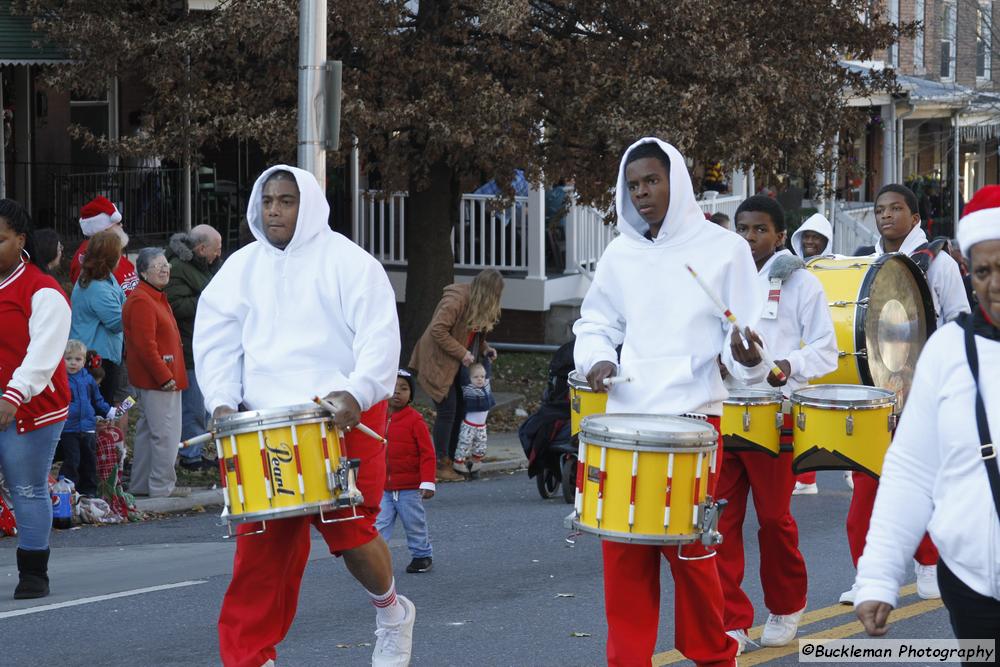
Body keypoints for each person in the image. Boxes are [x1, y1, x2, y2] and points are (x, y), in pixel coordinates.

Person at [193, 165, 413, 667]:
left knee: (350, 530)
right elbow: (216, 342)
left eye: (286, 200)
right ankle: (250, 658)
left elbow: (380, 339)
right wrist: (223, 402)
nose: (274, 209)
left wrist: (357, 391)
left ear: (308, 204)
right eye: (267, 199)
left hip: (342, 417)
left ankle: (392, 613)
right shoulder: (241, 268)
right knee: (260, 553)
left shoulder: (351, 263)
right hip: (267, 424)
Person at [573, 137, 763, 667]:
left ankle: (713, 656)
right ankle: (627, 660)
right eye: (633, 186)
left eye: (652, 181)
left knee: (693, 555)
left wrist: (745, 353)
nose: (642, 194)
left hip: (691, 421)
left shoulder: (724, 250)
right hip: (626, 421)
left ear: (676, 181)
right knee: (623, 557)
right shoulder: (621, 252)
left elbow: (744, 338)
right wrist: (595, 359)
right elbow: (594, 322)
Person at [855, 185, 1000, 648]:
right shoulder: (948, 351)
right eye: (982, 271)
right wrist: (878, 576)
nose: (994, 284)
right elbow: (912, 469)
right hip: (973, 587)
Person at [840, 184, 973, 604]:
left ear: (914, 218)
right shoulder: (869, 261)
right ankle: (866, 577)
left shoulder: (938, 264)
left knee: (921, 484)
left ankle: (930, 563)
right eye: (880, 209)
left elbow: (960, 319)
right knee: (865, 488)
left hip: (922, 393)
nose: (885, 215)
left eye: (896, 208)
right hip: (875, 394)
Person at [719, 196, 838, 651]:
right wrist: (723, 364)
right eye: (743, 229)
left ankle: (786, 605)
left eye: (760, 230)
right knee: (722, 519)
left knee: (773, 519)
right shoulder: (726, 279)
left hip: (776, 414)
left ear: (779, 235)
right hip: (726, 411)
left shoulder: (801, 283)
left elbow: (827, 350)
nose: (750, 238)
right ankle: (731, 617)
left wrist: (786, 364)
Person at [0, 198, 72, 599]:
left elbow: (43, 354)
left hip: (32, 403)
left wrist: (13, 395)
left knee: (25, 486)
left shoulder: (43, 290)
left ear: (20, 240)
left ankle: (33, 572)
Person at [409, 269, 503, 483]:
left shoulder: (477, 304)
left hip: (456, 365)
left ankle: (452, 460)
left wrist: (485, 349)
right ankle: (441, 463)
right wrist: (462, 353)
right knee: (448, 409)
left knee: (460, 407)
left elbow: (473, 335)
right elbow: (438, 330)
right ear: (487, 292)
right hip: (438, 362)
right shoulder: (456, 300)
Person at [122, 247, 188, 498]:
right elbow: (144, 345)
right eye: (157, 265)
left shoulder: (152, 296)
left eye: (165, 264)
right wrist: (164, 376)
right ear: (143, 272)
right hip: (160, 379)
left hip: (160, 377)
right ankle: (161, 487)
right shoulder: (142, 300)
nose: (164, 268)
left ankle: (142, 486)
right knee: (165, 435)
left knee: (150, 432)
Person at [165, 225, 222, 471]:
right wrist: (209, 302)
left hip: (202, 347)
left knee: (202, 404)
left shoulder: (200, 267)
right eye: (216, 249)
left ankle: (195, 450)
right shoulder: (179, 269)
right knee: (194, 406)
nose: (219, 254)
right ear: (201, 248)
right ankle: (191, 455)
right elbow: (175, 306)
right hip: (188, 347)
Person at [788, 211, 835, 494]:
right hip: (799, 353)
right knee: (805, 418)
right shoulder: (788, 268)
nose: (810, 242)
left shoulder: (836, 267)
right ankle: (806, 478)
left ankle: (851, 470)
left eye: (816, 237)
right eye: (806, 236)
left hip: (820, 350)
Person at [376, 370, 436, 574]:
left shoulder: (415, 420)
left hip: (409, 487)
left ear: (411, 394)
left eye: (404, 388)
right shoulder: (376, 418)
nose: (397, 392)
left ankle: (422, 556)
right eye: (393, 387)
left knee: (414, 523)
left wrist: (427, 482)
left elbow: (428, 453)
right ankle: (375, 560)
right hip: (382, 486)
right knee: (379, 525)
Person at [69, 230, 126, 407]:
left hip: (100, 353)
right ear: (111, 257)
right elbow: (117, 323)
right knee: (100, 408)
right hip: (98, 359)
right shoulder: (98, 287)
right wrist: (136, 308)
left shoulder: (101, 277)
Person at [57, 339, 116, 496]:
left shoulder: (88, 379)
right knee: (72, 459)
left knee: (89, 460)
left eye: (77, 359)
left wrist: (108, 410)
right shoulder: (61, 380)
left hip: (88, 427)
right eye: (68, 359)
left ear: (84, 361)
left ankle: (89, 491)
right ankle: (66, 487)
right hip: (69, 427)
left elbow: (97, 400)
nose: (73, 363)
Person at [69, 196, 138, 296]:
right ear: (104, 229)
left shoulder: (112, 250)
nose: (121, 225)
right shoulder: (87, 255)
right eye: (117, 223)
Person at [452, 360, 496, 475]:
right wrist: (465, 365)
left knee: (481, 444)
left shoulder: (486, 384)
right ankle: (459, 462)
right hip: (469, 426)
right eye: (476, 377)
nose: (480, 379)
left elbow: (488, 370)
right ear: (470, 378)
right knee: (464, 444)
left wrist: (488, 358)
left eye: (482, 376)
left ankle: (475, 463)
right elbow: (464, 376)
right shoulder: (468, 388)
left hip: (481, 426)